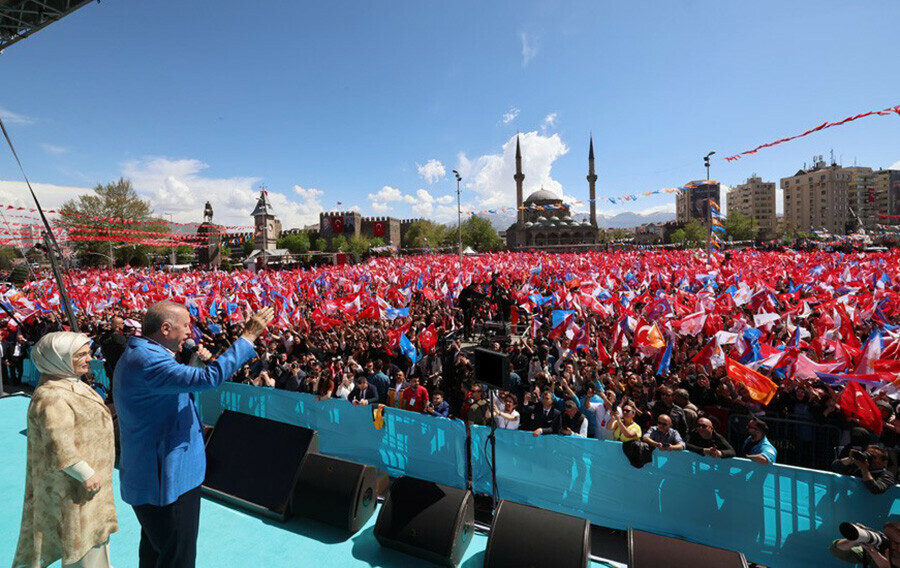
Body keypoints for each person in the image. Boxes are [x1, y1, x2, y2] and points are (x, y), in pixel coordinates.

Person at [114, 301, 274, 568]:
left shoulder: (143, 352)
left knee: (156, 552)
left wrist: (194, 361)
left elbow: (172, 387)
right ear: (166, 328)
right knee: (178, 558)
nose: (191, 332)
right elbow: (207, 379)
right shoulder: (149, 361)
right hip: (168, 482)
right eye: (186, 326)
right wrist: (248, 336)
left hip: (155, 475)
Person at [14, 332, 118, 568]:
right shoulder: (51, 396)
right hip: (75, 488)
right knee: (81, 546)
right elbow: (58, 443)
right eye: (80, 355)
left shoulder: (71, 383)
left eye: (87, 353)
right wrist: (84, 473)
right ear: (58, 358)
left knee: (95, 540)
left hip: (90, 485)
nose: (89, 359)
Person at [831, 444, 896, 495]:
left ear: (884, 462)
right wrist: (850, 459)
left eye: (873, 457)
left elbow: (875, 489)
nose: (869, 459)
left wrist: (864, 469)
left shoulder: (887, 476)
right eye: (868, 455)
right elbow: (835, 467)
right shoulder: (857, 467)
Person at [830, 521, 900, 567]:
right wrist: (856, 538)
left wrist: (885, 567)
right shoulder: (878, 552)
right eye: (887, 539)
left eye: (897, 543)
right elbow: (837, 550)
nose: (891, 546)